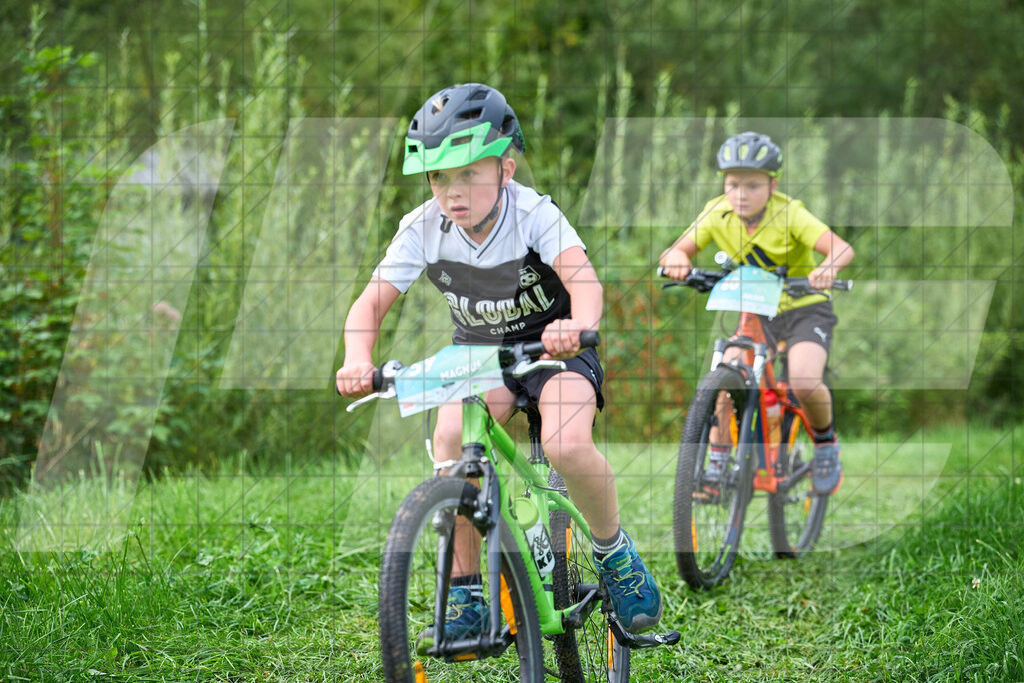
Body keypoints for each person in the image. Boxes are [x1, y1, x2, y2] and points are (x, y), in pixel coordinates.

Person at [335, 83, 662, 639]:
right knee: (451, 449)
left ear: (505, 170)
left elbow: (584, 280)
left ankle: (614, 552)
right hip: (482, 355)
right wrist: (356, 356)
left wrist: (576, 326)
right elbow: (371, 302)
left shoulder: (534, 213)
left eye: (468, 174)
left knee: (564, 443)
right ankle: (465, 592)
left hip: (553, 349)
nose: (451, 192)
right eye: (439, 177)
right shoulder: (422, 229)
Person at [659, 131, 854, 495]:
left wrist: (828, 268)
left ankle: (826, 444)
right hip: (757, 310)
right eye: (733, 184)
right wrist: (677, 259)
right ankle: (717, 463)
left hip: (804, 310)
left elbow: (841, 249)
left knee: (803, 379)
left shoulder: (790, 213)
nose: (741, 194)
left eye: (752, 185)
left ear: (772, 184)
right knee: (726, 373)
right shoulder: (717, 213)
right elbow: (678, 249)